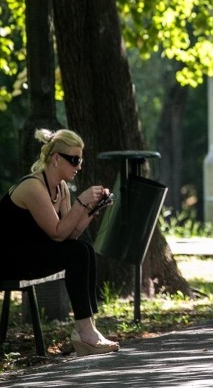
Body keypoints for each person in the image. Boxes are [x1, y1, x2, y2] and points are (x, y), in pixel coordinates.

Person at [0, 128, 120, 356]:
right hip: (7, 260)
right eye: (74, 160)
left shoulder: (61, 188)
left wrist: (90, 211)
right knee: (77, 253)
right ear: (56, 158)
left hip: (28, 254)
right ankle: (85, 331)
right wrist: (81, 203)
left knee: (83, 249)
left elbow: (70, 235)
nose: (79, 166)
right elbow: (56, 234)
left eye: (80, 160)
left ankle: (88, 328)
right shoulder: (33, 187)